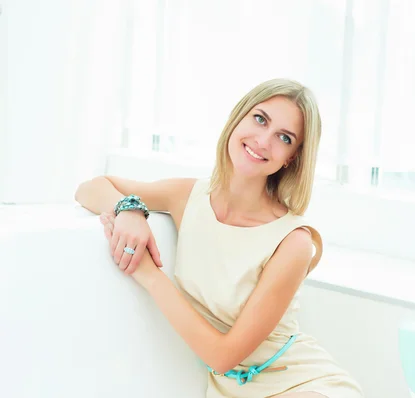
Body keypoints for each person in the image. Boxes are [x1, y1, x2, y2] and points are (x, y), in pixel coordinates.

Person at [75, 78, 364, 398]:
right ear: (238, 117)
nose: (263, 140)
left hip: (301, 385)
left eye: (283, 137)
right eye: (260, 118)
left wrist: (148, 274)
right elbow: (90, 188)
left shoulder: (293, 242)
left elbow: (224, 356)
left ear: (291, 158)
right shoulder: (186, 196)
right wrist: (130, 209)